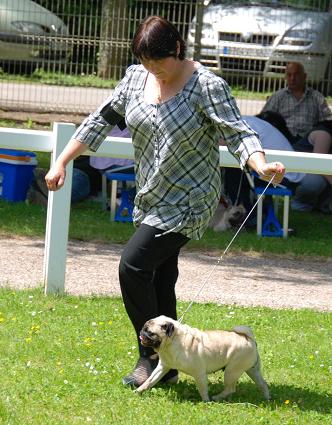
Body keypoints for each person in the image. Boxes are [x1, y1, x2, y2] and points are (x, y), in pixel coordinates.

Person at [45, 16, 285, 389]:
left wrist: (260, 165)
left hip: (191, 200)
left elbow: (239, 134)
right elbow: (100, 120)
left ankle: (150, 356)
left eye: (159, 61)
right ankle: (173, 365)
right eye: (145, 61)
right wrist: (62, 160)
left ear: (177, 49)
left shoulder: (207, 86)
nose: (153, 69)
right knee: (161, 275)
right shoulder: (135, 79)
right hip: (151, 195)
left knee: (133, 266)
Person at [261, 61, 332, 211]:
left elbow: (326, 123)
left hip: (308, 144)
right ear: (285, 76)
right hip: (283, 143)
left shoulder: (316, 98)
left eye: (296, 74)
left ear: (305, 76)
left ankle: (307, 200)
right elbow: (264, 121)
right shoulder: (278, 97)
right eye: (289, 75)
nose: (292, 78)